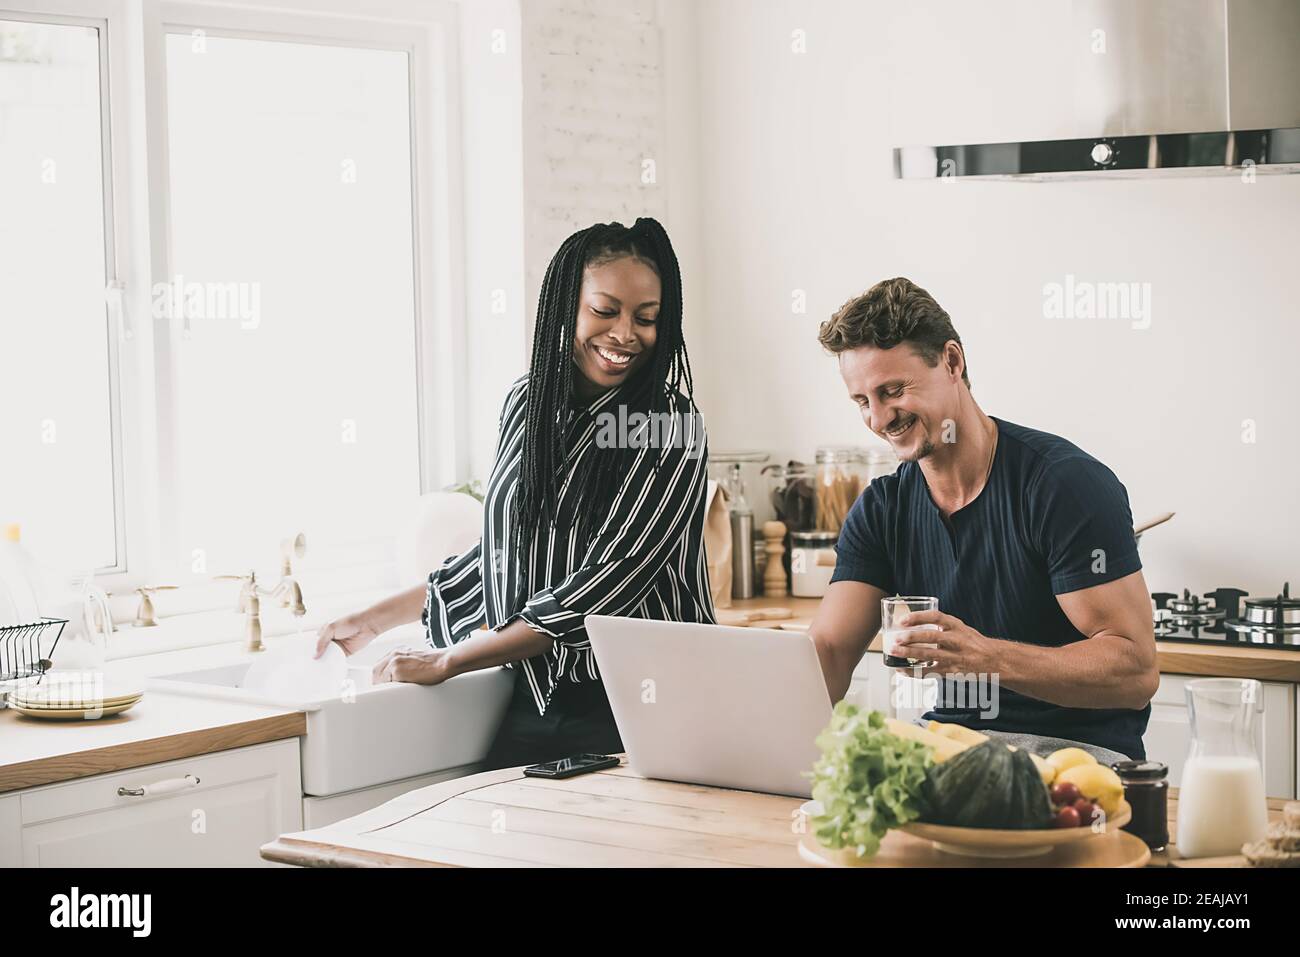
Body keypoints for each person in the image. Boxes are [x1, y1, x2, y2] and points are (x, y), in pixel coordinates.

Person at [315, 218, 715, 768]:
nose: (626, 334)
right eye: (605, 311)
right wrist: (375, 620)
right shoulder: (527, 404)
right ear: (564, 305)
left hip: (643, 704)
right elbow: (506, 555)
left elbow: (605, 585)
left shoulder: (669, 423)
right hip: (537, 696)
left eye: (646, 319)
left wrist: (451, 660)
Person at [809, 277, 1158, 761]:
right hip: (951, 747)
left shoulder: (1062, 484)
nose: (878, 418)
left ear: (952, 362)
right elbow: (827, 650)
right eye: (862, 401)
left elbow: (1135, 672)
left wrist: (985, 657)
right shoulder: (882, 508)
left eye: (893, 390)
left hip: (1076, 756)